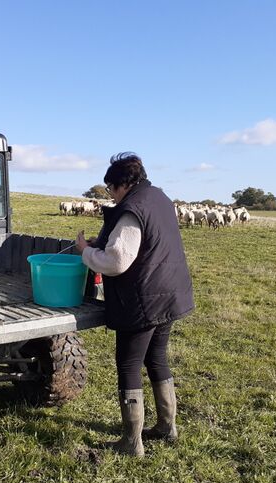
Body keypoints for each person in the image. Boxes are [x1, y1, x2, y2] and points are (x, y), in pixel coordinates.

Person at [76, 153, 194, 456]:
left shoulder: (131, 209)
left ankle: (132, 442)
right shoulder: (158, 197)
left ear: (121, 185)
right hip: (169, 292)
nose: (111, 195)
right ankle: (167, 427)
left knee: (129, 365)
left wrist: (85, 253)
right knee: (156, 358)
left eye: (110, 188)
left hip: (143, 299)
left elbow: (116, 262)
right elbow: (145, 242)